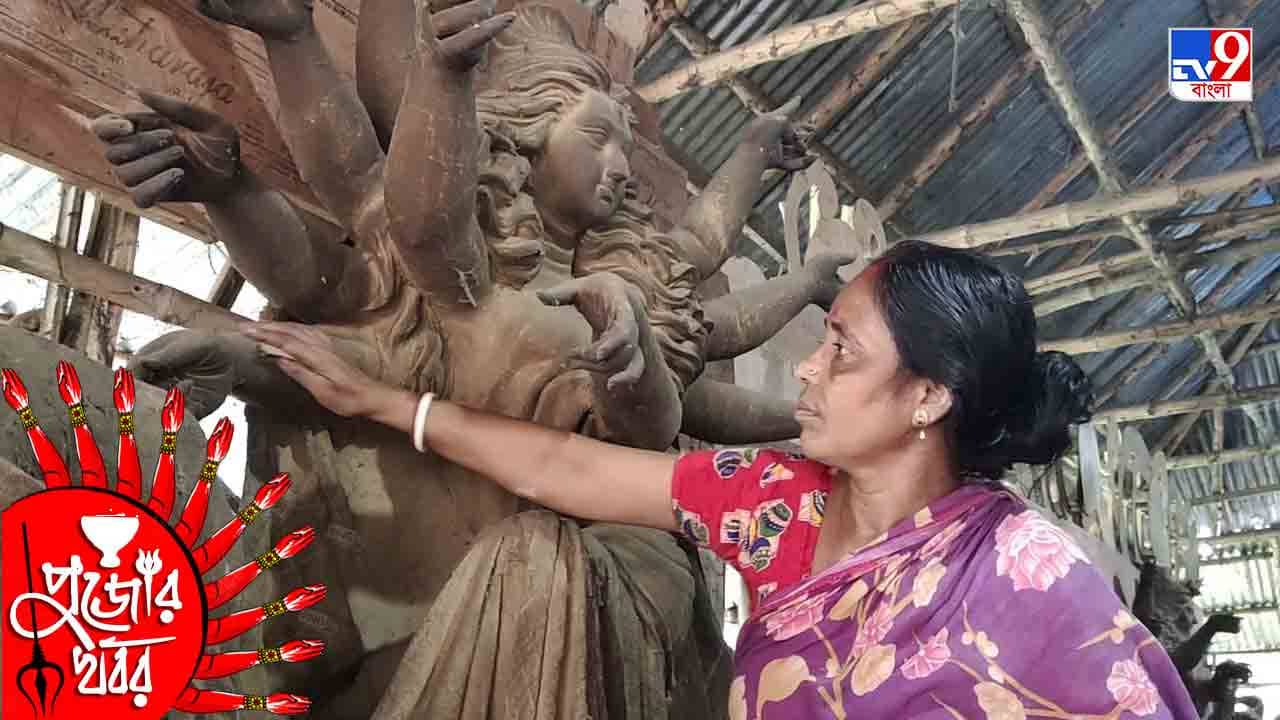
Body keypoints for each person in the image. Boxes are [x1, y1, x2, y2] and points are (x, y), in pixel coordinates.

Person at [244, 239, 1199, 718]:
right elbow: (564, 466)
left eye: (841, 350)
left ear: (928, 396)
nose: (809, 371)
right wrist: (383, 404)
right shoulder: (774, 500)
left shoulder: (1029, 574)